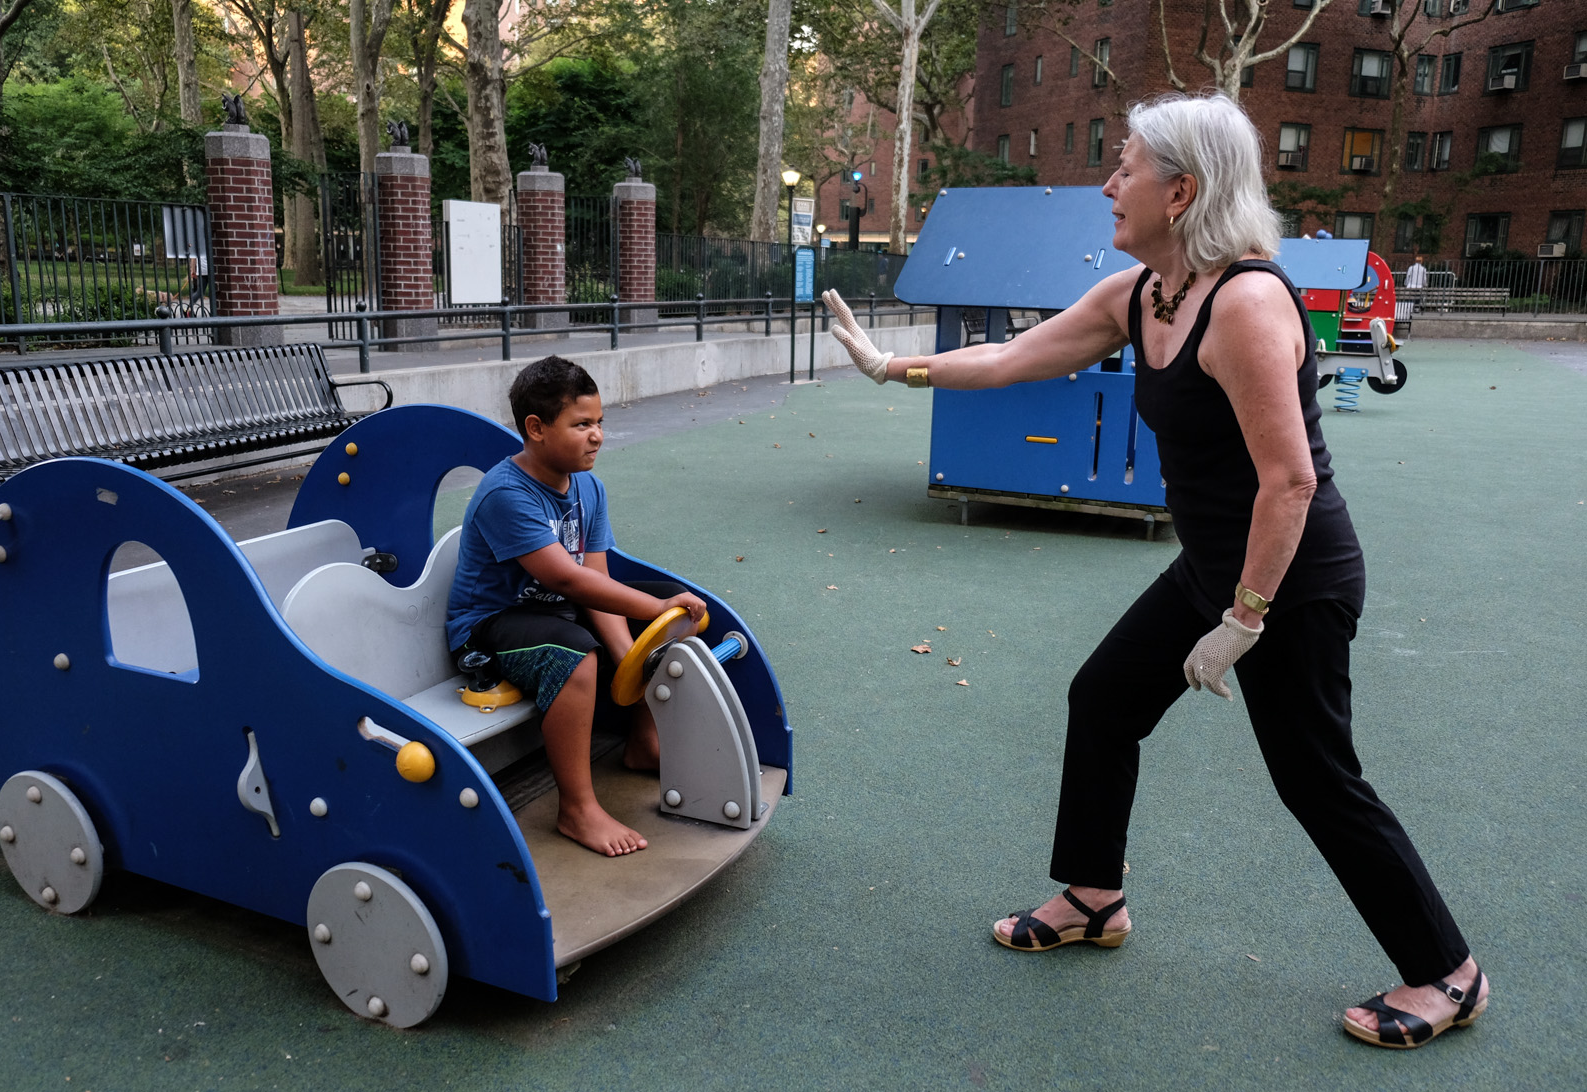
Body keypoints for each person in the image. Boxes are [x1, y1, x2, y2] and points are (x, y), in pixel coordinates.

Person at [822, 93, 1486, 1050]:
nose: (1107, 183)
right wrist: (893, 368)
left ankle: (1449, 973)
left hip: (1290, 578)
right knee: (1104, 700)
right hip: (1216, 567)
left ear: (1182, 190)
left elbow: (1290, 482)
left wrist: (1245, 619)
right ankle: (1094, 897)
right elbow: (1016, 357)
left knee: (1316, 777)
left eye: (1123, 167)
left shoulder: (1247, 302)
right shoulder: (1143, 294)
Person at [445, 356, 707, 857]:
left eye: (600, 422)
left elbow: (596, 580)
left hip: (557, 609)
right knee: (576, 650)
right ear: (536, 428)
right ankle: (576, 808)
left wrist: (635, 652)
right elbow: (565, 578)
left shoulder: (588, 486)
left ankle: (643, 743)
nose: (597, 436)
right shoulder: (507, 493)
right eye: (582, 424)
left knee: (673, 622)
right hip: (490, 627)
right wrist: (653, 609)